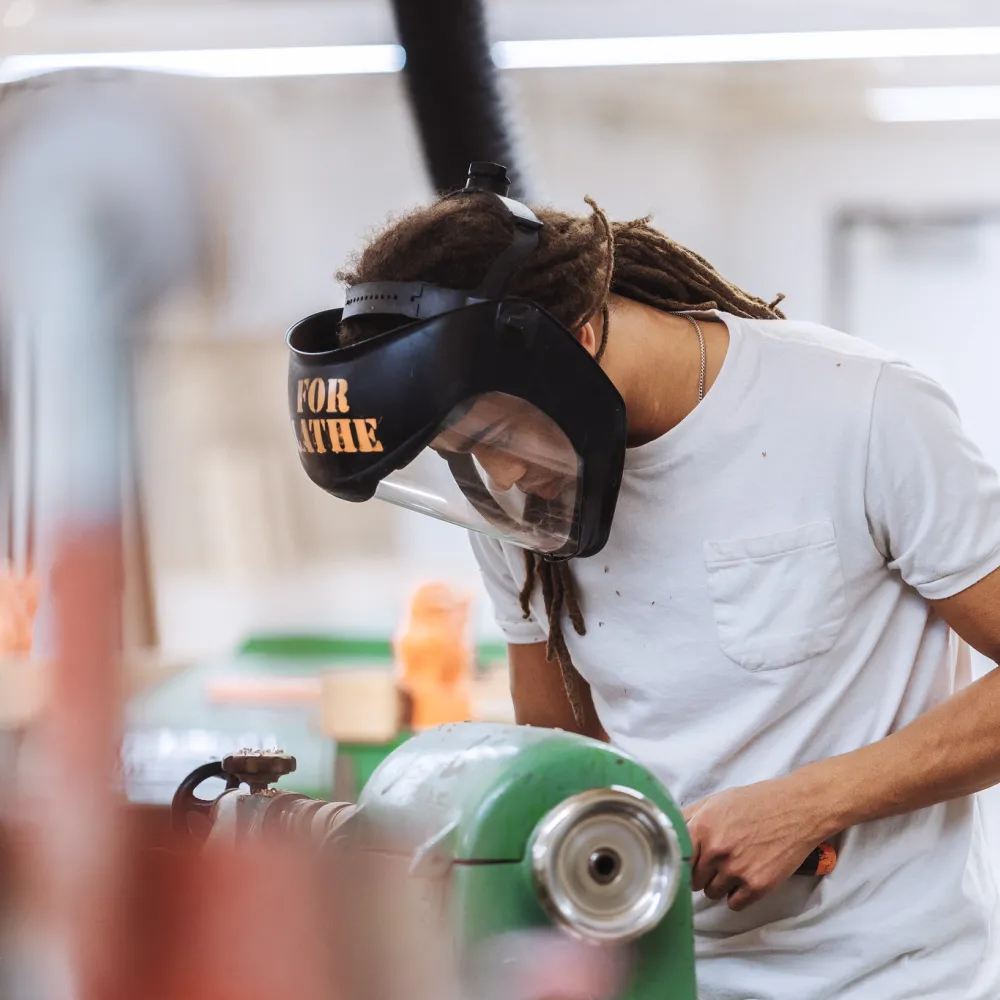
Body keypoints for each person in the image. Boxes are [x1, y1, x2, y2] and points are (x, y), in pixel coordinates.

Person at [293, 168, 1000, 1000]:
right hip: (654, 966)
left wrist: (812, 802)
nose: (500, 470)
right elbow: (561, 758)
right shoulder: (526, 496)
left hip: (892, 979)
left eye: (494, 431)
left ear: (581, 336)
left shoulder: (863, 413)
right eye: (461, 449)